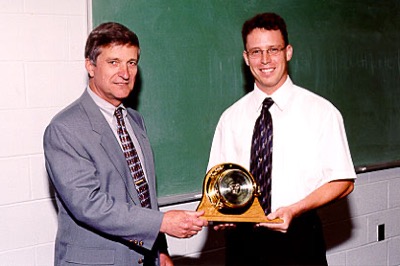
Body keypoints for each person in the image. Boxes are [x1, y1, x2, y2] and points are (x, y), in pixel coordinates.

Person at [43, 22, 207, 266]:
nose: (125, 72)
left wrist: (159, 250)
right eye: (113, 62)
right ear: (90, 66)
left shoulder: (134, 120)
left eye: (131, 62)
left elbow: (144, 196)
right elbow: (89, 204)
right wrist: (161, 222)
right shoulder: (64, 129)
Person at [207, 13, 356, 265]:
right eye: (256, 52)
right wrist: (221, 213)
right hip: (242, 243)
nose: (265, 60)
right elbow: (217, 182)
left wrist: (294, 210)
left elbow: (343, 181)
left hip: (299, 237)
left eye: (273, 49)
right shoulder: (230, 118)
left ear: (288, 52)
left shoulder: (321, 112)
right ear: (246, 58)